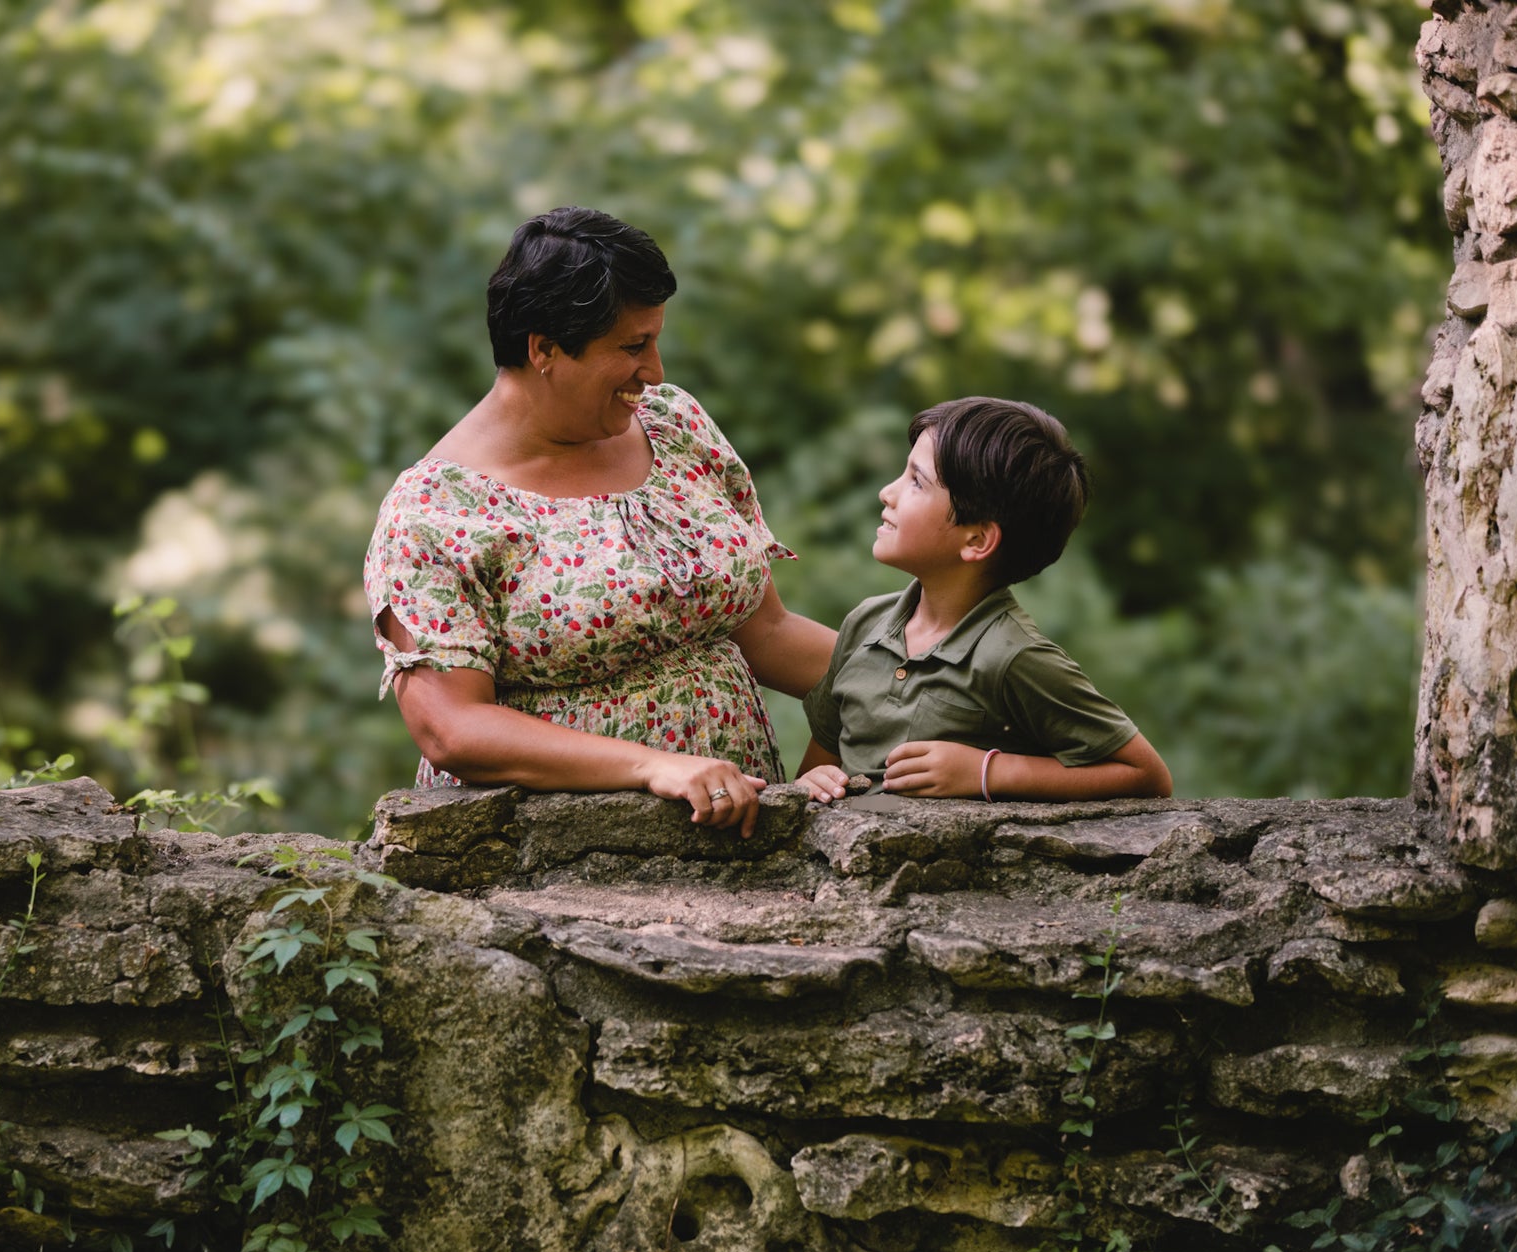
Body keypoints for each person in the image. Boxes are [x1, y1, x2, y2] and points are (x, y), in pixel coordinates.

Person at [364, 207, 835, 837]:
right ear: (544, 350)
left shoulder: (674, 425)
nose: (656, 371)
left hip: (733, 831)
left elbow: (766, 632)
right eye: (633, 347)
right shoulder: (435, 512)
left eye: (656, 340)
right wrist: (652, 766)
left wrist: (912, 670)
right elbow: (451, 729)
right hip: (549, 858)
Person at [795, 397, 1172, 803]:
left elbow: (1146, 775)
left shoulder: (1015, 657)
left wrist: (987, 771)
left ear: (977, 540)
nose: (888, 492)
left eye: (917, 482)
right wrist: (810, 786)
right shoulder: (864, 624)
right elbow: (816, 771)